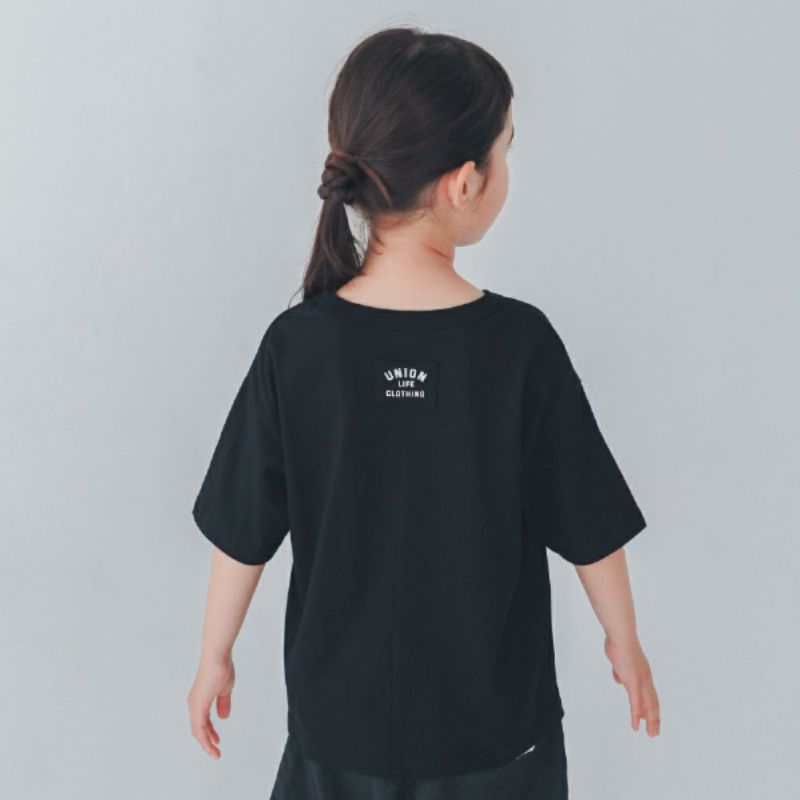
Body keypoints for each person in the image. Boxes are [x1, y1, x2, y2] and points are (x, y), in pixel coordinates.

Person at [187, 26, 660, 800]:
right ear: (465, 183)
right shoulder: (518, 345)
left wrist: (215, 654)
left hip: (337, 737)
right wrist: (625, 640)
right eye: (506, 148)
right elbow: (589, 521)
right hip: (496, 740)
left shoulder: (297, 346)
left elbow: (241, 528)